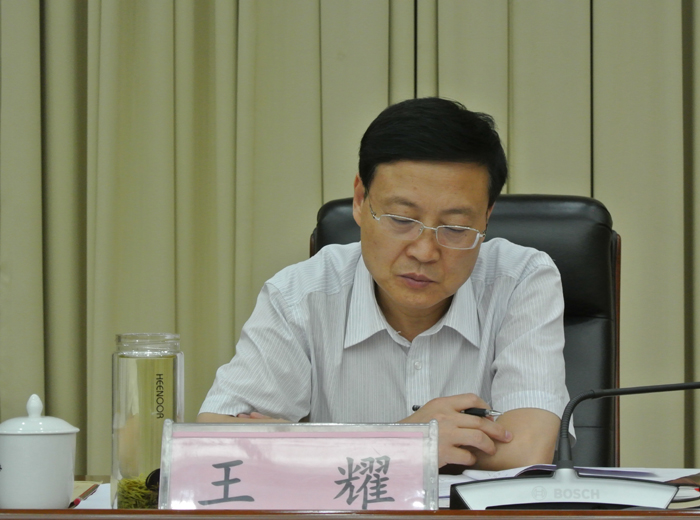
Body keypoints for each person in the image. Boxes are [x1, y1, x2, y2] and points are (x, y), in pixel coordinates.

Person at [198, 97, 572, 470]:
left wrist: (305, 447)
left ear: (486, 217)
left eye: (456, 227)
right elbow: (216, 443)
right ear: (360, 200)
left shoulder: (520, 280)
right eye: (402, 220)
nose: (425, 251)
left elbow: (527, 451)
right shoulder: (300, 295)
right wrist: (407, 440)